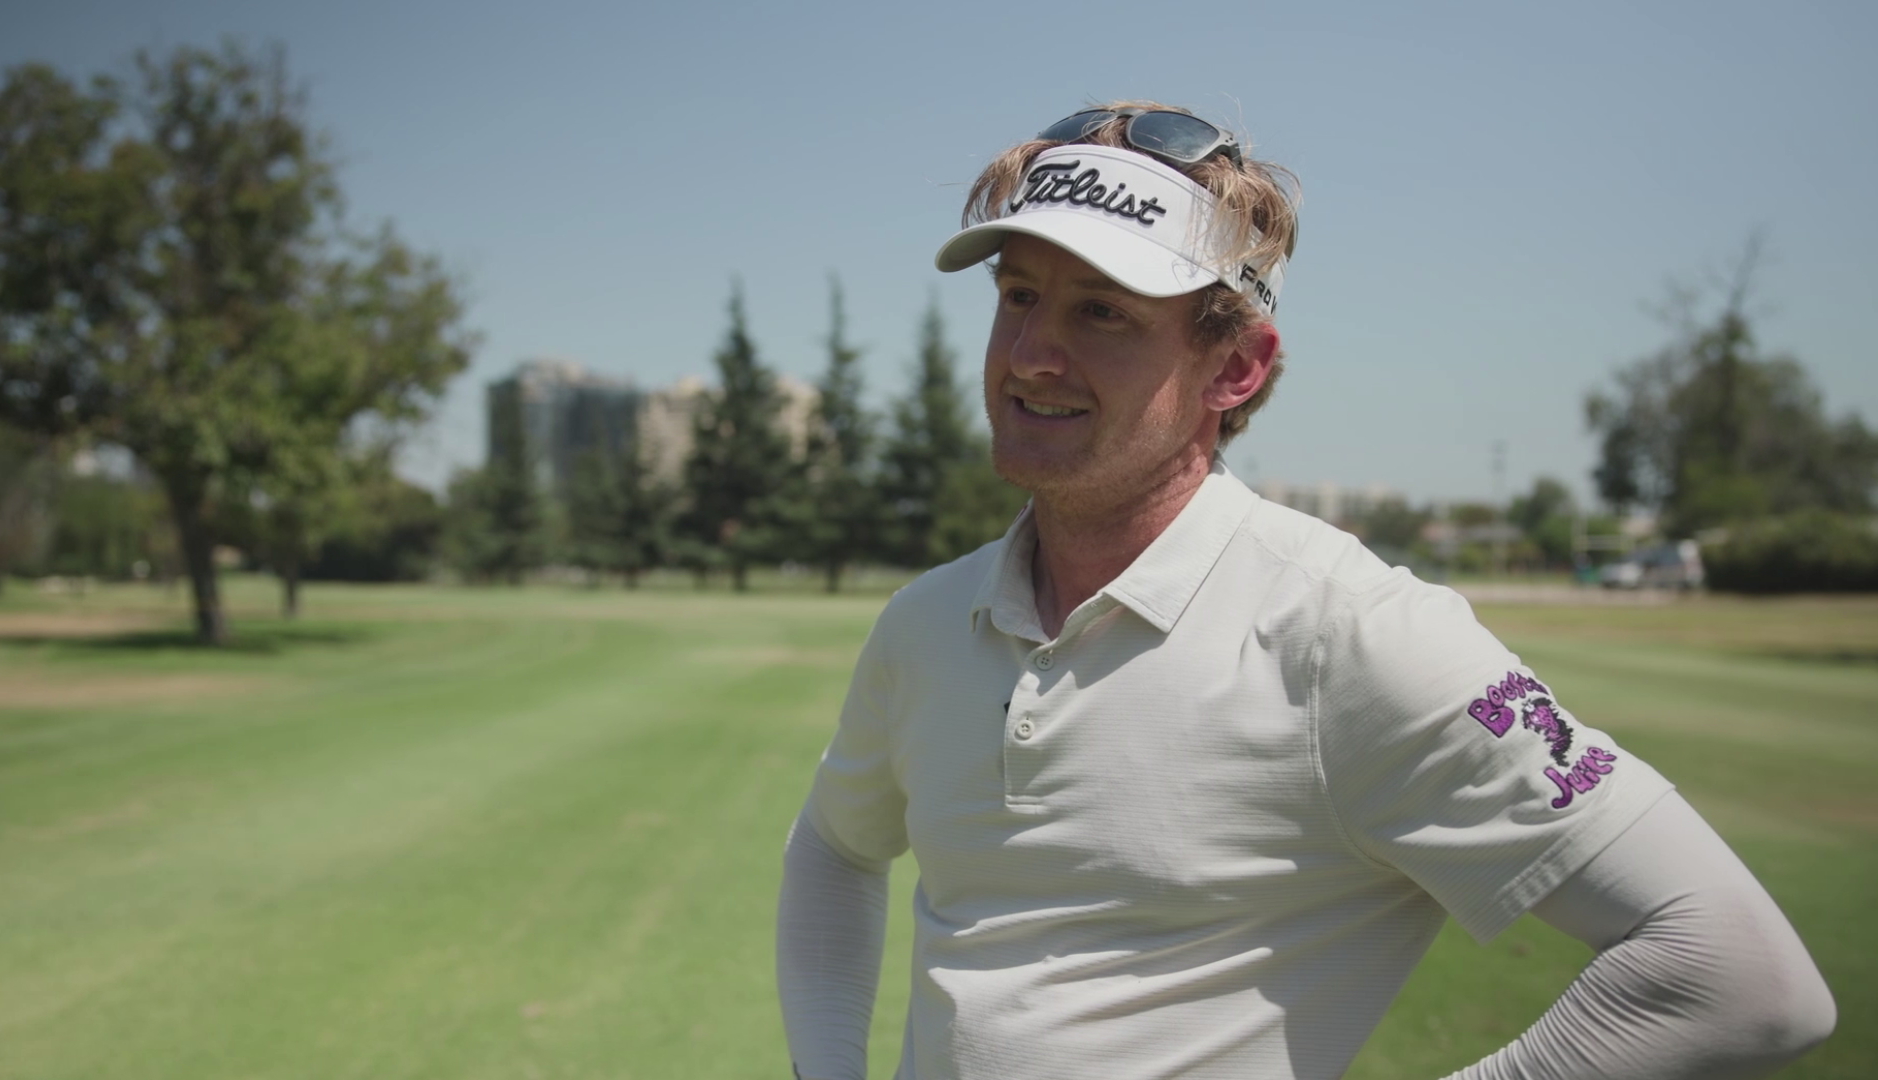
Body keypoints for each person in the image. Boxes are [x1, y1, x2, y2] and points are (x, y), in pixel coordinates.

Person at [775, 102, 1835, 1080]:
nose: (1032, 355)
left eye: (1101, 312)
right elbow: (834, 846)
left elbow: (1738, 973)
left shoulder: (1354, 634)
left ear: (1235, 368)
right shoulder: (925, 623)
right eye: (1019, 296)